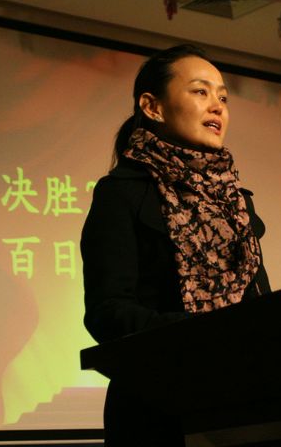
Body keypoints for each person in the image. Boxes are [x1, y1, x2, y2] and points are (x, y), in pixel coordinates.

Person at [80, 44, 270, 446]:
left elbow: (260, 307)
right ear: (152, 107)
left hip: (246, 405)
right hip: (157, 410)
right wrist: (197, 333)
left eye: (223, 98)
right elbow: (106, 311)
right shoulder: (122, 193)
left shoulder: (237, 202)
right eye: (200, 91)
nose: (217, 106)